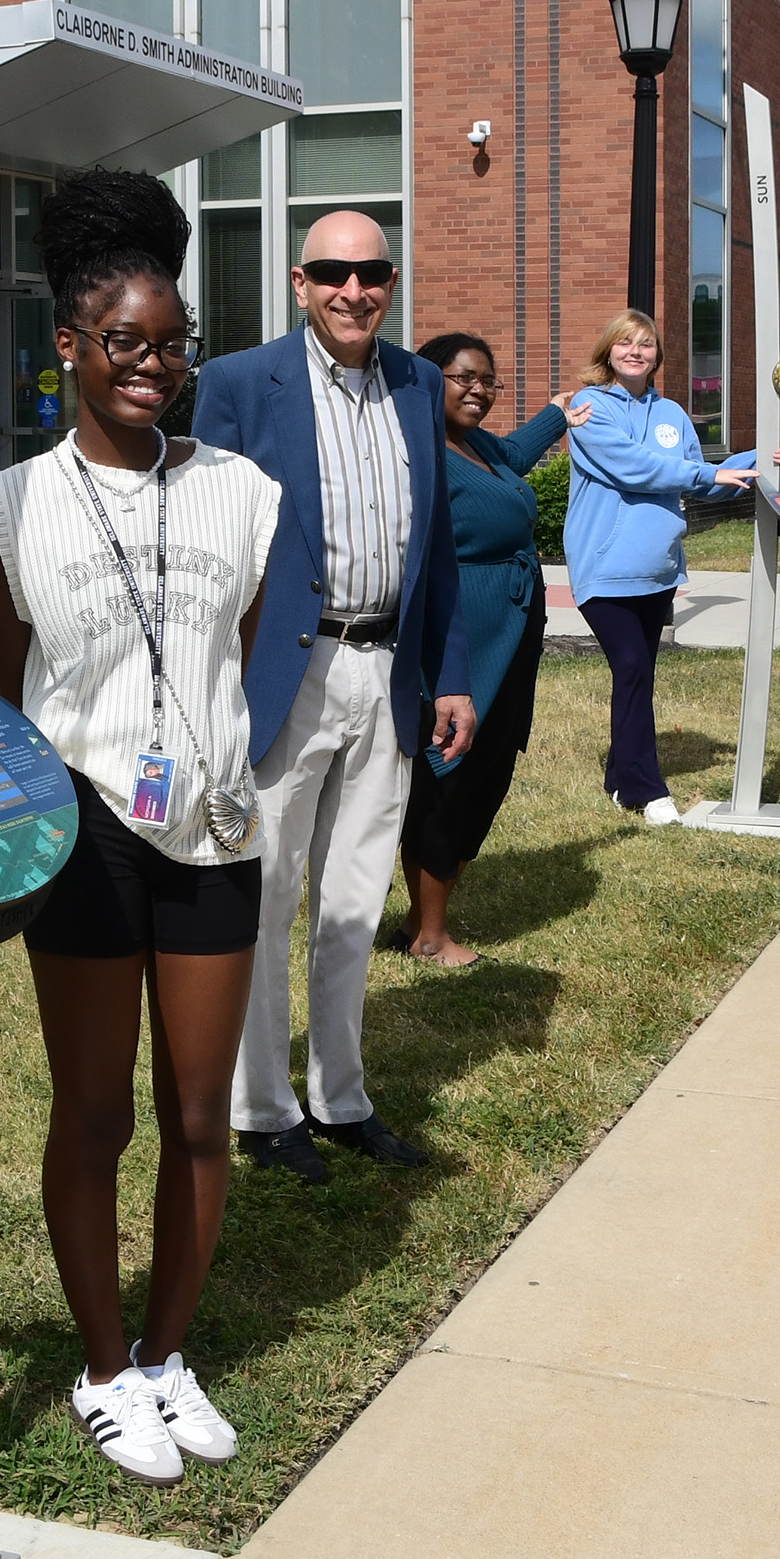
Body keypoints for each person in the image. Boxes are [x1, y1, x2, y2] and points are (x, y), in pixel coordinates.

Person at [0, 168, 280, 1485]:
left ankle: (166, 1354)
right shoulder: (12, 505)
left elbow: (235, 654)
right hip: (80, 834)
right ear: (72, 349)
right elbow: (6, 683)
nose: (153, 365)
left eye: (171, 343)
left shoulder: (244, 491)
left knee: (199, 1114)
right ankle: (102, 1366)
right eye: (126, 344)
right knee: (94, 1112)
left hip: (212, 825)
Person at [191, 211, 475, 1185]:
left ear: (391, 282)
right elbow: (203, 544)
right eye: (333, 273)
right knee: (267, 894)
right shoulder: (235, 385)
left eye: (373, 273)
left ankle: (340, 1097)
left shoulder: (419, 383)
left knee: (354, 899)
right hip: (285, 677)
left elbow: (435, 545)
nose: (355, 290)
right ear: (300, 283)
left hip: (385, 672)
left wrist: (457, 673)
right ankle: (262, 1109)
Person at [390, 333, 567, 963]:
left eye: (489, 381)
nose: (480, 391)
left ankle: (420, 920)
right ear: (430, 380)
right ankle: (432, 938)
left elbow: (516, 452)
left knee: (491, 765)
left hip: (512, 631)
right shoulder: (421, 455)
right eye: (465, 378)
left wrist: (560, 414)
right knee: (451, 770)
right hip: (467, 633)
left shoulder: (480, 446)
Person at [560, 310, 756, 821]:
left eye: (645, 345)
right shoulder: (588, 407)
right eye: (625, 343)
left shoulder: (671, 414)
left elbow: (703, 482)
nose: (635, 352)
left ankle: (621, 778)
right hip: (604, 568)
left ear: (656, 356)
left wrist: (754, 462)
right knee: (629, 667)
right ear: (608, 350)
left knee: (638, 675)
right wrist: (707, 470)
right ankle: (647, 790)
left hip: (658, 568)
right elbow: (636, 468)